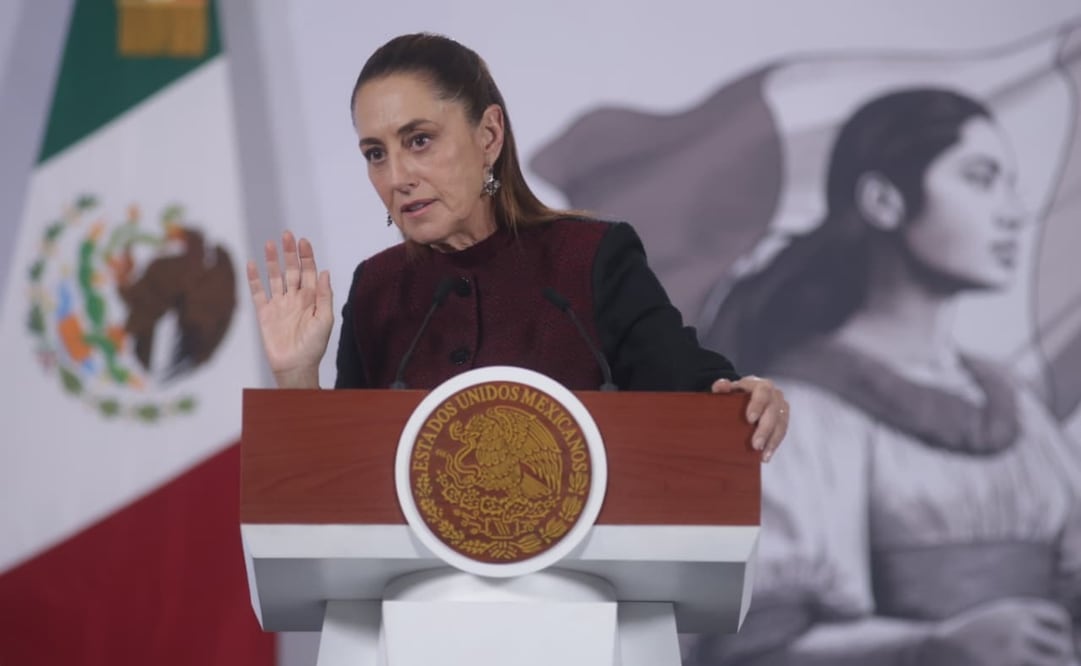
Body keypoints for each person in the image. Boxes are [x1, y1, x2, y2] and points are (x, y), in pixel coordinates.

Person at [244, 32, 788, 462]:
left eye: (419, 140)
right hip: (418, 602)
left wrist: (747, 398)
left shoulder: (592, 257)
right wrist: (296, 377)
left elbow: (694, 391)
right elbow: (337, 486)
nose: (397, 176)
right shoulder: (377, 291)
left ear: (489, 135)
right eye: (375, 153)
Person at [689, 89, 1081, 665]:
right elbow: (752, 649)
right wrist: (936, 647)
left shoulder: (1016, 407)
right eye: (980, 177)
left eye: (1009, 182)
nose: (1013, 210)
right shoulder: (800, 412)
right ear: (883, 200)